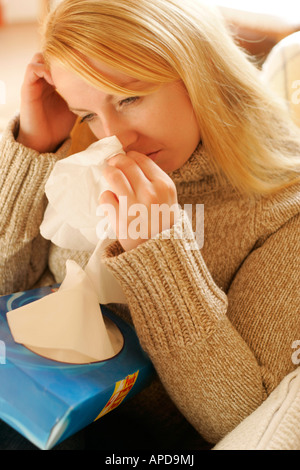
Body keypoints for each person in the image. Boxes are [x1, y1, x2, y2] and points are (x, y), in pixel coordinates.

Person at [0, 0, 300, 449]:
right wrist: (33, 149)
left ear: (199, 70)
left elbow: (242, 421)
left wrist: (160, 253)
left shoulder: (280, 209)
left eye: (130, 97)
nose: (116, 136)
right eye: (89, 113)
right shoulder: (81, 150)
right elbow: (8, 287)